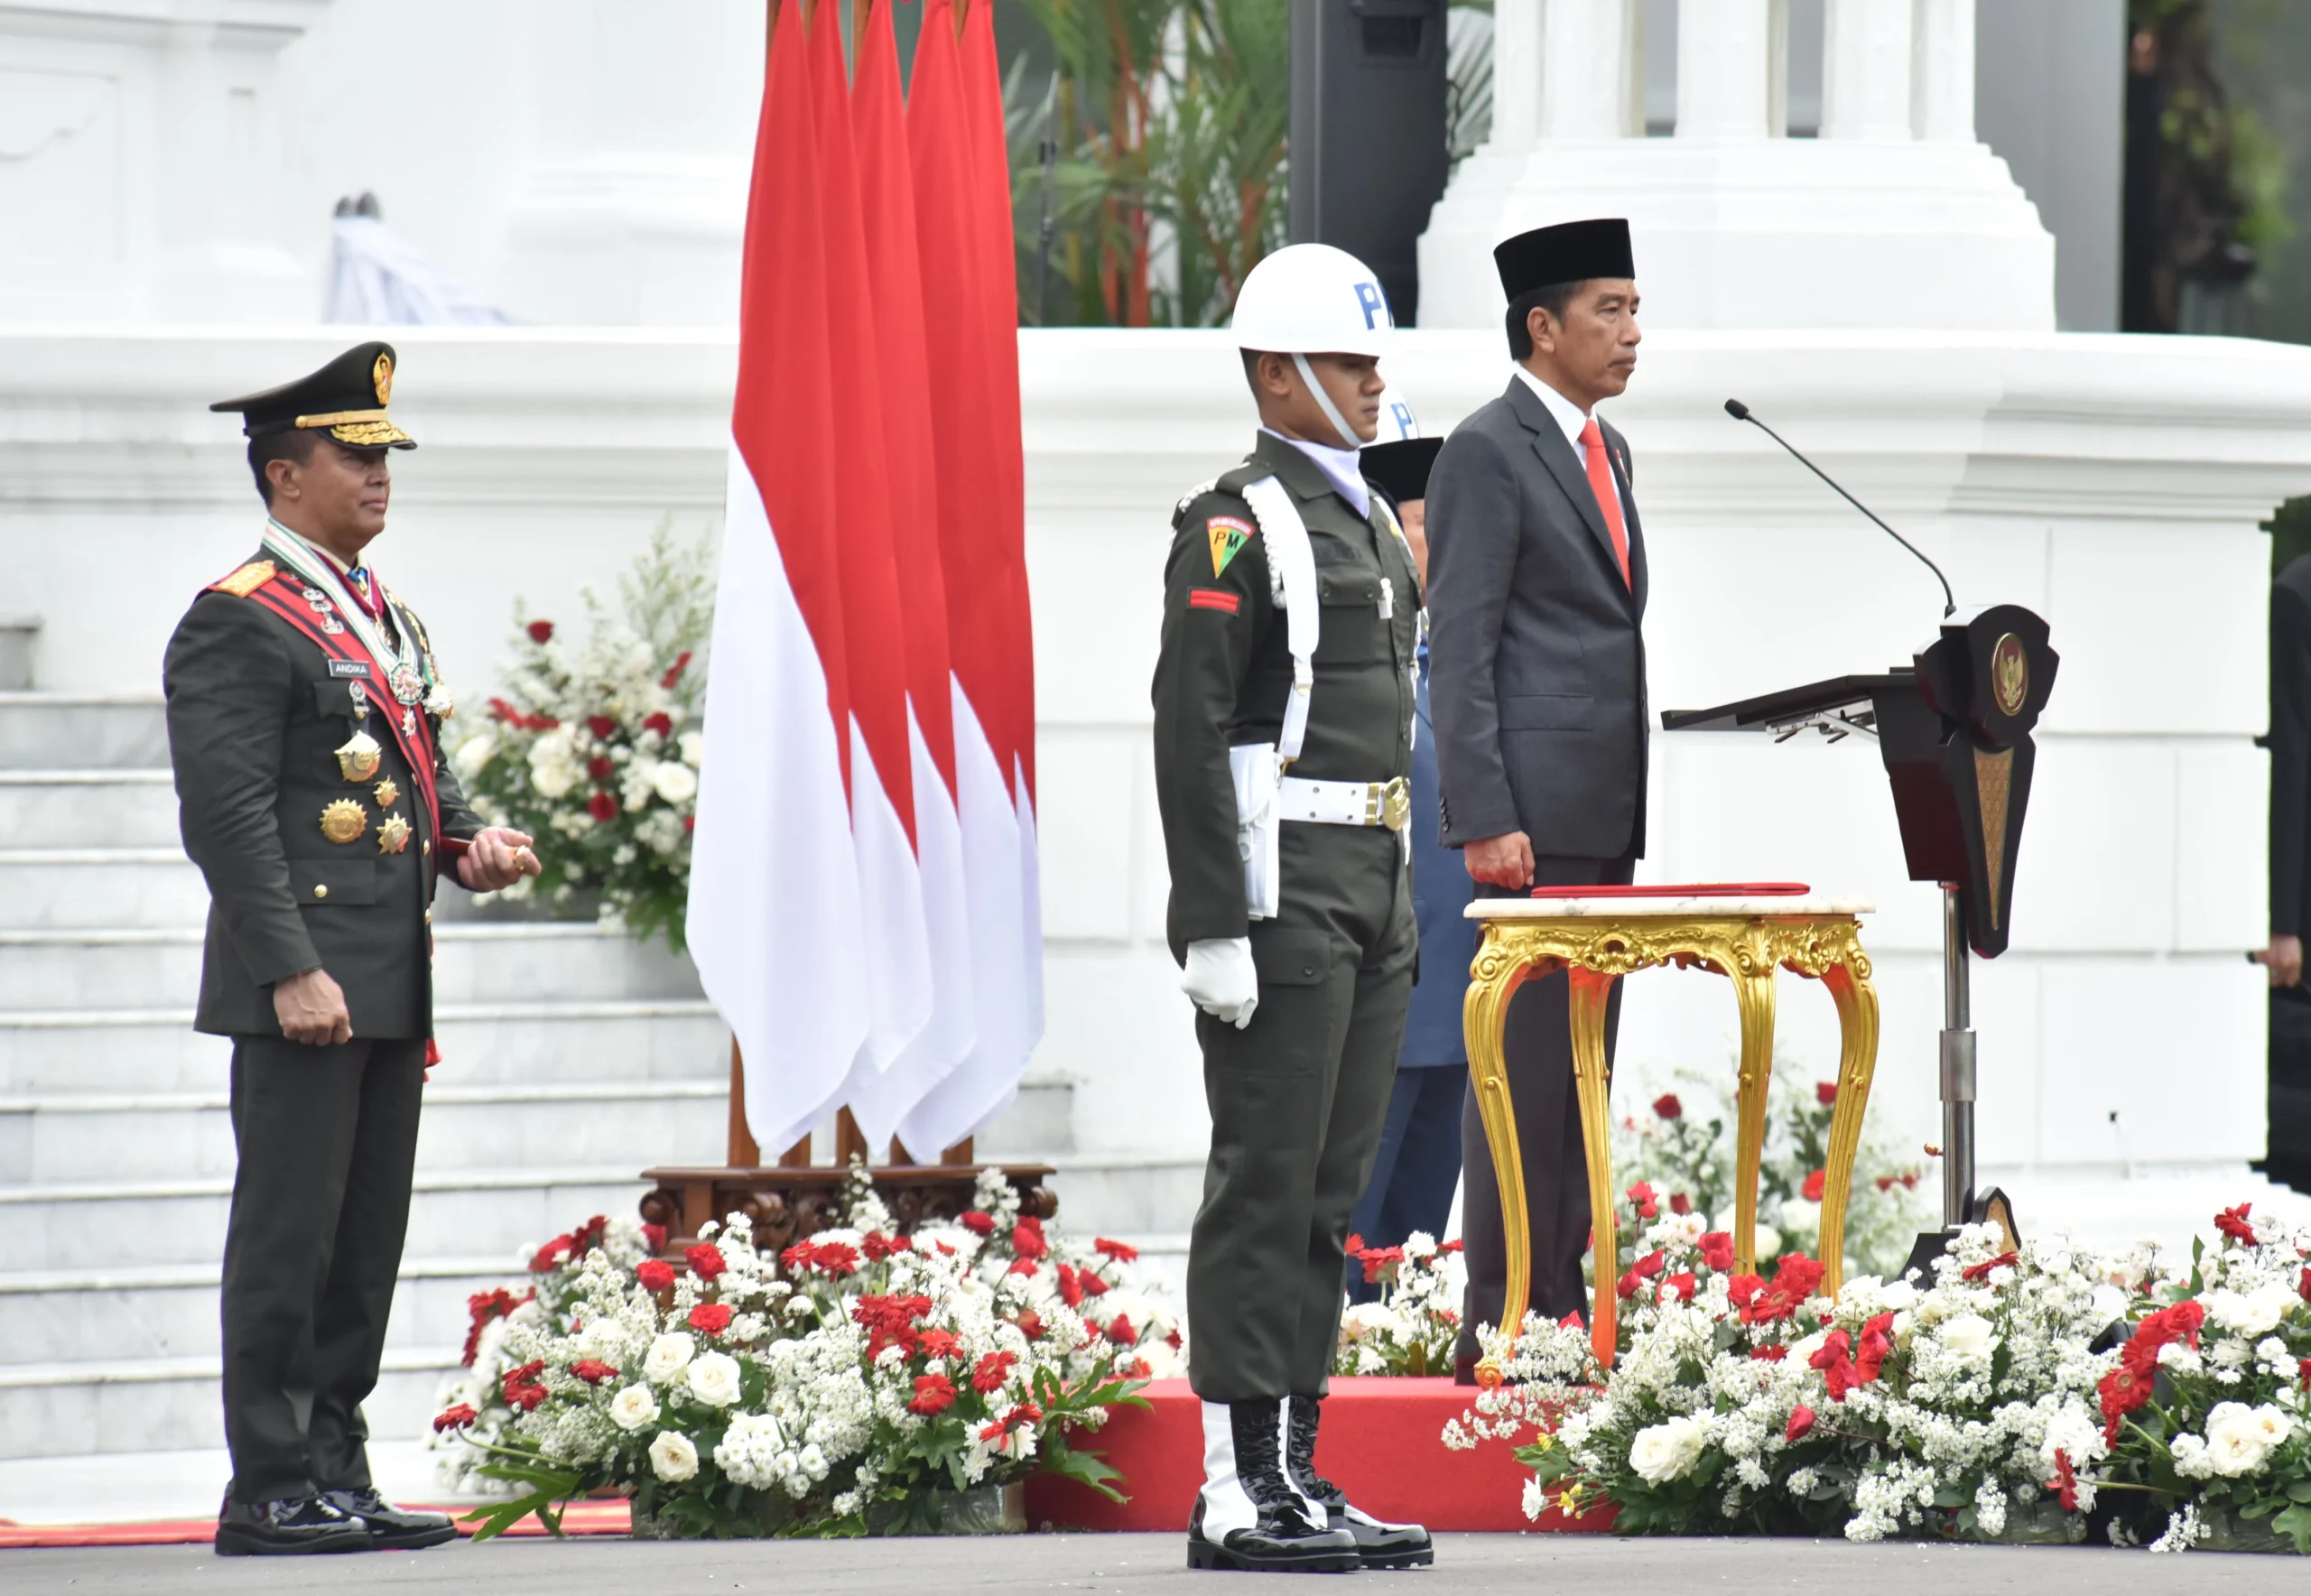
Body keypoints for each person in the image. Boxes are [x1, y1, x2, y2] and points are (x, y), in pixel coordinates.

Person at [167, 341, 543, 1556]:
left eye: (385, 453)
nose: (380, 474)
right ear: (284, 475)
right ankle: (270, 1482)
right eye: (353, 453)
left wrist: (469, 842)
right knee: (289, 1234)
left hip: (387, 972)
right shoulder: (239, 622)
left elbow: (412, 780)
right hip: (307, 981)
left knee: (363, 1238)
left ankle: (335, 1462)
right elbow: (226, 816)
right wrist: (288, 966)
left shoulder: (378, 613)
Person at [1152, 244, 1432, 1573]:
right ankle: (1230, 1483)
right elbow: (1192, 729)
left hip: (1372, 887)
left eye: (1378, 362)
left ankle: (1296, 1472)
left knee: (1331, 1191)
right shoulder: (1235, 523)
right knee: (1264, 1182)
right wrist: (1211, 919)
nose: (1380, 386)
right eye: (1354, 364)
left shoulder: (1371, 520)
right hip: (1284, 894)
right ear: (1278, 374)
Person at [1425, 218, 1649, 1378]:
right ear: (1541, 326)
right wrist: (1483, 815)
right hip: (1525, 829)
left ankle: (1563, 1309)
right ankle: (1501, 1316)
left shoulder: (1609, 450)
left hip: (1602, 821)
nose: (1630, 331)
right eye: (1606, 309)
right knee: (1515, 1069)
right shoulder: (1486, 449)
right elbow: (1458, 648)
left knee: (1582, 1071)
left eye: (1633, 307)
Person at [1347, 397, 1465, 1301]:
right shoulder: (1351, 657)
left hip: (1467, 989)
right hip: (1377, 992)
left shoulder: (1473, 659)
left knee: (1417, 1244)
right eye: (1432, 526)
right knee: (1353, 1231)